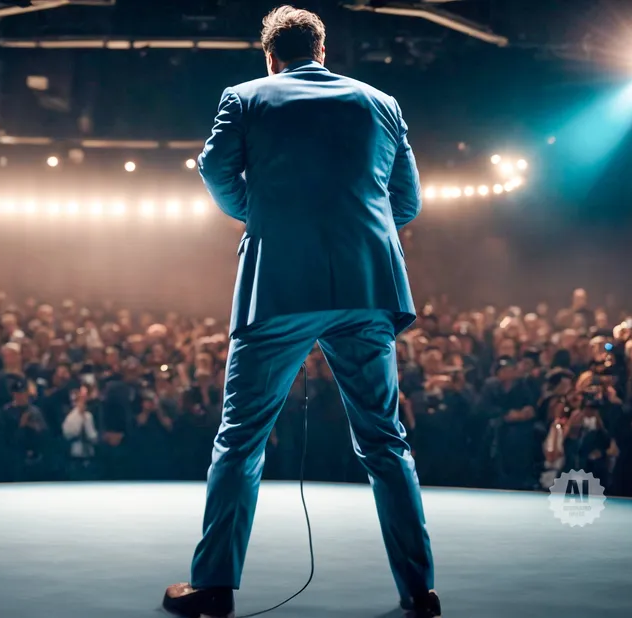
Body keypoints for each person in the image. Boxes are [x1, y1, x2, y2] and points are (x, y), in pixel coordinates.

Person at [162, 6, 439, 618]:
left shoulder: (244, 97)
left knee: (241, 439)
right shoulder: (381, 102)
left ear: (270, 55)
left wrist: (258, 213)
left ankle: (213, 588)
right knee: (385, 441)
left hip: (278, 286)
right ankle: (419, 591)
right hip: (366, 287)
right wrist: (356, 227)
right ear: (322, 48)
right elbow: (409, 200)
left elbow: (214, 170)